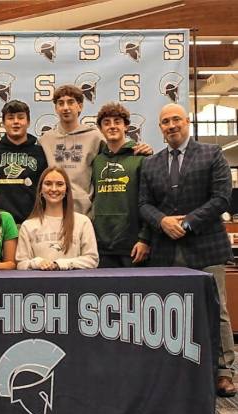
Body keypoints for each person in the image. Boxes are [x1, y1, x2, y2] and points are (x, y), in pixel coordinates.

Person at [139, 103, 236, 397]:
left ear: (187, 122)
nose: (171, 125)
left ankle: (223, 371)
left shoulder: (212, 154)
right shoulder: (151, 164)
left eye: (176, 120)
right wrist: (163, 221)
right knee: (168, 311)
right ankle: (172, 370)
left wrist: (190, 222)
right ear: (160, 128)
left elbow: (222, 197)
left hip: (206, 247)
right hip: (165, 250)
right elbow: (143, 204)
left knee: (216, 310)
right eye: (165, 122)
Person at [39, 84, 152, 216]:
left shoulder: (95, 137)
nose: (65, 108)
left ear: (79, 106)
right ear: (56, 108)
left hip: (85, 214)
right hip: (53, 212)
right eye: (60, 103)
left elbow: (116, 151)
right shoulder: (45, 140)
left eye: (71, 102)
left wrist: (139, 148)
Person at [92, 102, 150, 267]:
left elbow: (150, 202)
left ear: (126, 126)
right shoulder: (97, 161)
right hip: (102, 246)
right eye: (106, 123)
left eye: (117, 121)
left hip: (133, 246)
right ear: (100, 129)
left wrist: (144, 239)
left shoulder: (141, 158)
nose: (112, 126)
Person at [16, 166, 99, 270]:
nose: (54, 189)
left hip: (74, 284)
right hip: (40, 285)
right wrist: (37, 262)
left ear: (67, 190)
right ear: (41, 189)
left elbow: (92, 260)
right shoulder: (28, 226)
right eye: (48, 184)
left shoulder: (83, 222)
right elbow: (21, 264)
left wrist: (60, 264)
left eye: (59, 184)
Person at [0, 100, 48, 225]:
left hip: (32, 222)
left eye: (21, 117)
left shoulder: (40, 152)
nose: (16, 122)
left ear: (28, 122)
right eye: (10, 118)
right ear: (3, 123)